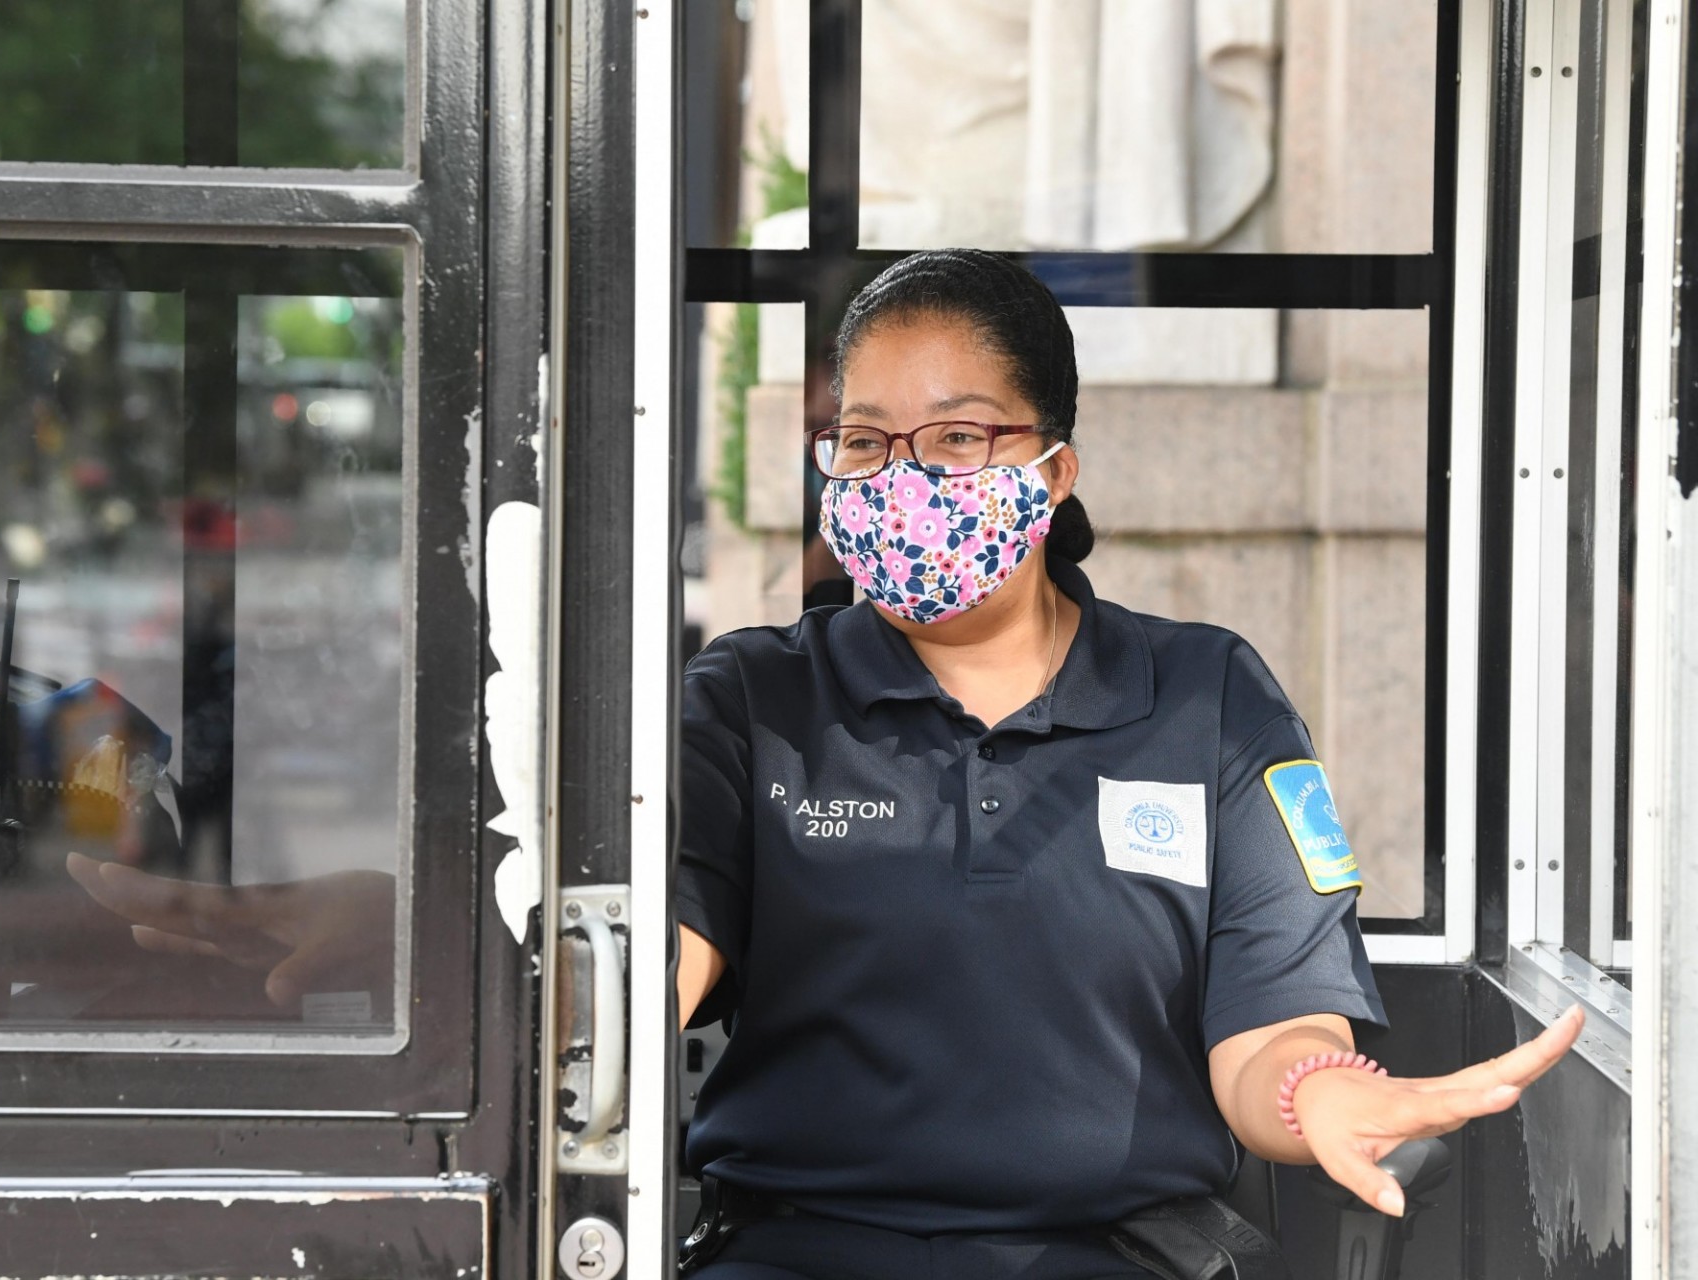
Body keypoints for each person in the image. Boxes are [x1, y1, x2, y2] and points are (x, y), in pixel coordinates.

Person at [670, 248, 1583, 1280]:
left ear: (1055, 471)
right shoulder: (755, 697)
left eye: (960, 436)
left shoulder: (1206, 696)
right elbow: (656, 961)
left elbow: (1272, 1021)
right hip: (796, 1252)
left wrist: (1324, 1091)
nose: (906, 478)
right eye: (865, 442)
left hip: (1110, 1255)